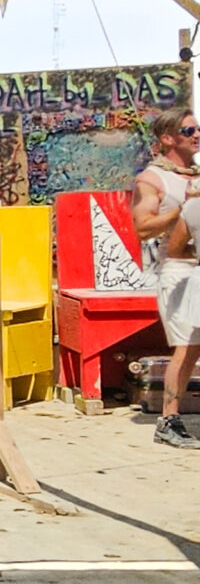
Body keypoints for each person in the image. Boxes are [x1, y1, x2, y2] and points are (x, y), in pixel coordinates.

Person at [131, 106, 200, 445]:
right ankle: (168, 421)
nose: (197, 135)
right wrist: (182, 208)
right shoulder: (153, 179)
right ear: (168, 139)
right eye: (189, 131)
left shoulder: (196, 173)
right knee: (187, 347)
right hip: (178, 271)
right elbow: (142, 227)